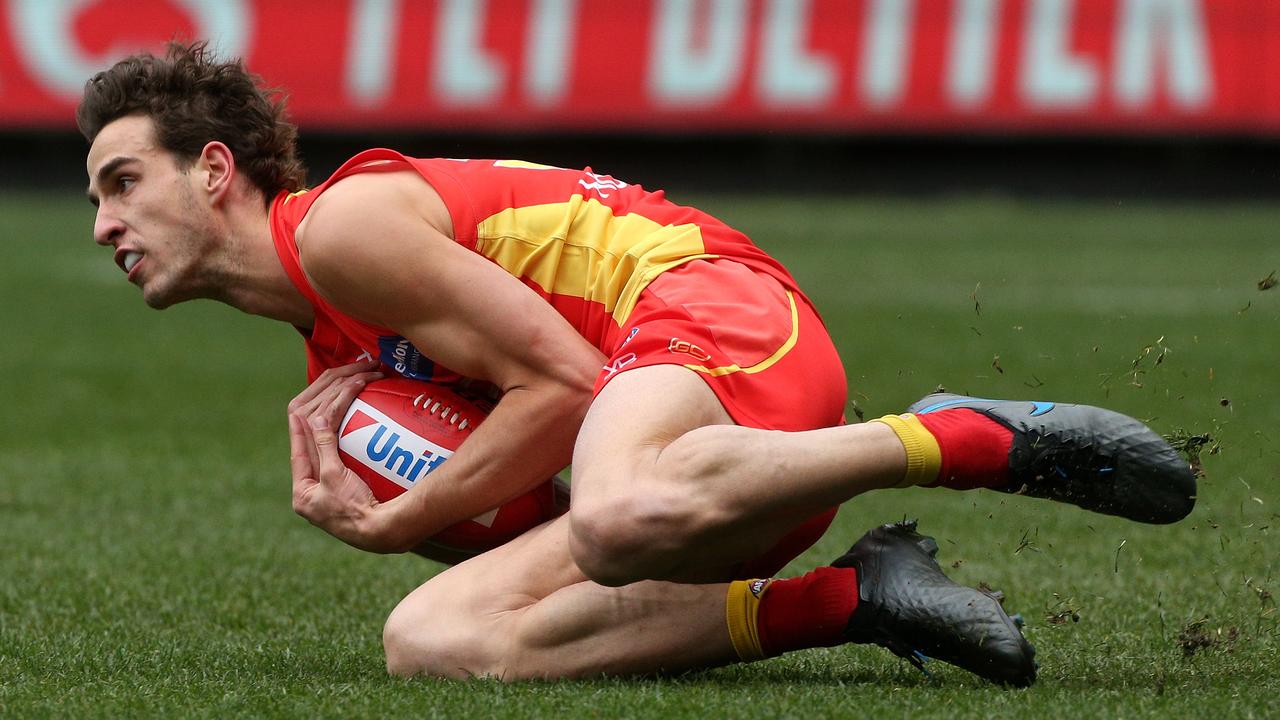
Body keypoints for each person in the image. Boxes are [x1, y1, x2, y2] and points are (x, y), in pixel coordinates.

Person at [79, 42, 1196, 687]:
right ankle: (856, 597)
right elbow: (538, 512)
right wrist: (424, 527)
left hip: (709, 310)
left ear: (215, 169)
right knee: (433, 641)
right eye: (94, 197)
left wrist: (404, 518)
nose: (101, 224)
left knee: (614, 515)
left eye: (122, 181)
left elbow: (565, 388)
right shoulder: (334, 345)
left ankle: (954, 438)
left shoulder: (337, 233)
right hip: (695, 469)